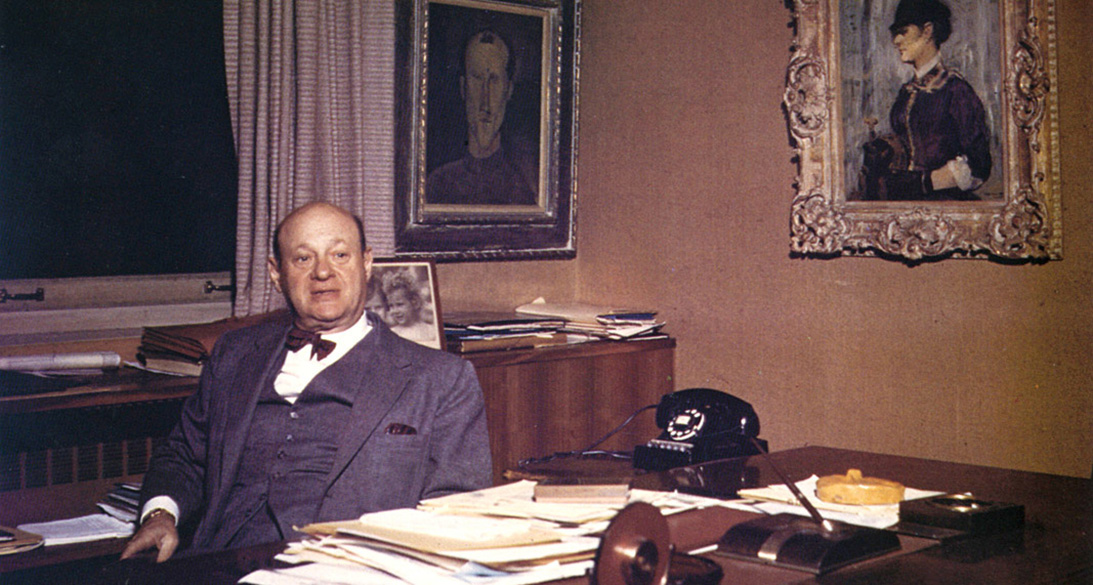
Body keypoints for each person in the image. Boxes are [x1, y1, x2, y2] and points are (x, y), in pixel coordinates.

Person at [121, 202, 491, 562]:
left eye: (340, 255)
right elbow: (184, 455)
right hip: (222, 561)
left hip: (348, 569)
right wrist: (159, 515)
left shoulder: (441, 379)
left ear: (366, 263)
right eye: (303, 258)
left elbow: (453, 510)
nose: (323, 273)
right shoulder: (234, 355)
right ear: (275, 272)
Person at [859, 0, 991, 201]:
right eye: (895, 33)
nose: (896, 40)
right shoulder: (906, 92)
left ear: (927, 30)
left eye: (903, 31)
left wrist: (925, 182)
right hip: (902, 202)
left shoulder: (956, 90)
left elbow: (979, 165)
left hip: (946, 204)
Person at [426, 29, 538, 206]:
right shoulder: (437, 185)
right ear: (463, 87)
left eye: (494, 80)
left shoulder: (522, 192)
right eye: (477, 79)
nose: (485, 102)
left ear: (508, 90)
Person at [381, 269, 437, 345]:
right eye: (391, 306)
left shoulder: (431, 331)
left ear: (415, 303)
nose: (395, 311)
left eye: (399, 304)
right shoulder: (391, 334)